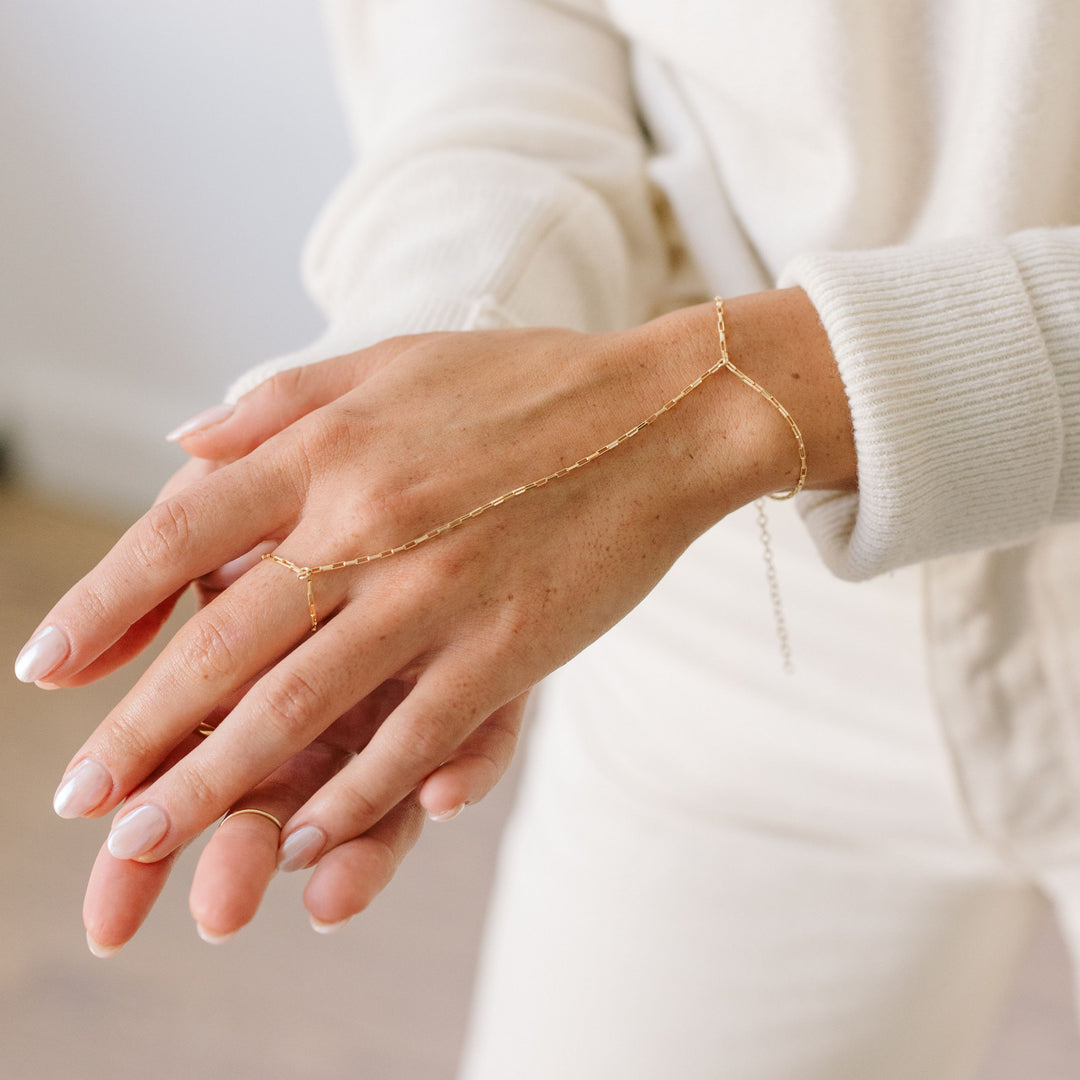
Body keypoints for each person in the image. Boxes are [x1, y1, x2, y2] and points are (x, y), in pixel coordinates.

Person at [14, 1, 1080, 1076]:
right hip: (723, 601)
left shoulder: (684, 424)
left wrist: (718, 407)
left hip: (689, 460)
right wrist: (442, 367)